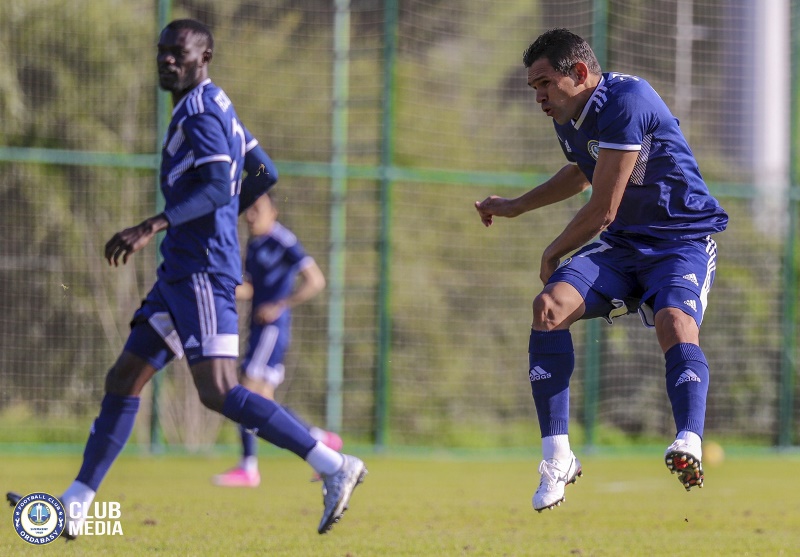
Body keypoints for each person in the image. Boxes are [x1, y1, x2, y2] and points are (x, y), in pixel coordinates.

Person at [6, 19, 365, 537]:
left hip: (199, 270)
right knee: (125, 378)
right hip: (182, 270)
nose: (167, 61)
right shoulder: (217, 104)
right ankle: (77, 504)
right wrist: (216, 217)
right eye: (162, 52)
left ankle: (333, 465)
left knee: (218, 390)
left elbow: (222, 183)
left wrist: (153, 224)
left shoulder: (199, 110)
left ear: (205, 56)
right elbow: (262, 170)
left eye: (178, 52)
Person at [474, 28, 728, 512]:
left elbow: (604, 207)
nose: (540, 97)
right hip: (624, 247)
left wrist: (552, 251)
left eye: (545, 83)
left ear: (581, 73)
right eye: (533, 88)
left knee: (675, 324)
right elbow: (582, 170)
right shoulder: (569, 115)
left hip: (680, 242)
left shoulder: (628, 100)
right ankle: (558, 459)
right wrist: (517, 206)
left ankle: (688, 442)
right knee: (548, 308)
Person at [212, 192, 342, 488]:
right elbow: (249, 290)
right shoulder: (254, 244)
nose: (250, 216)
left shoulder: (283, 240)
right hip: (258, 328)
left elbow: (315, 280)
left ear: (274, 212)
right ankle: (322, 440)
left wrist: (280, 305)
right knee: (263, 400)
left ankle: (249, 467)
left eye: (257, 209)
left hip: (273, 329)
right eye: (248, 210)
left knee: (246, 392)